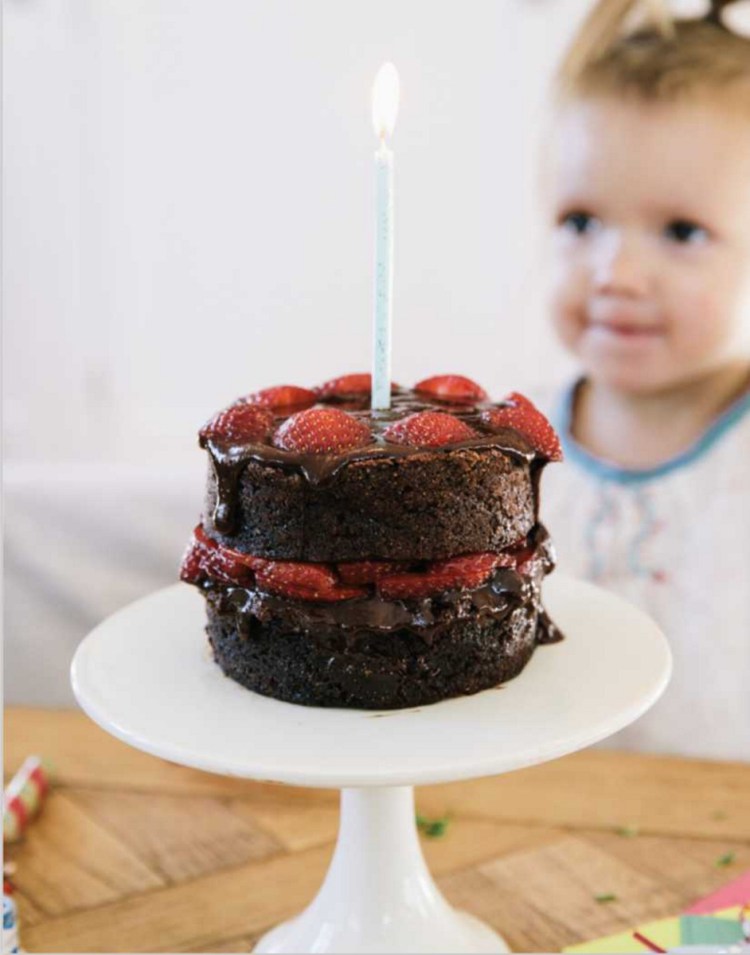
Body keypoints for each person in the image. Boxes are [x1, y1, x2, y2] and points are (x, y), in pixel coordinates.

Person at [540, 0, 750, 760]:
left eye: (682, 232)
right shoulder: (508, 444)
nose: (616, 275)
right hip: (534, 831)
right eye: (581, 222)